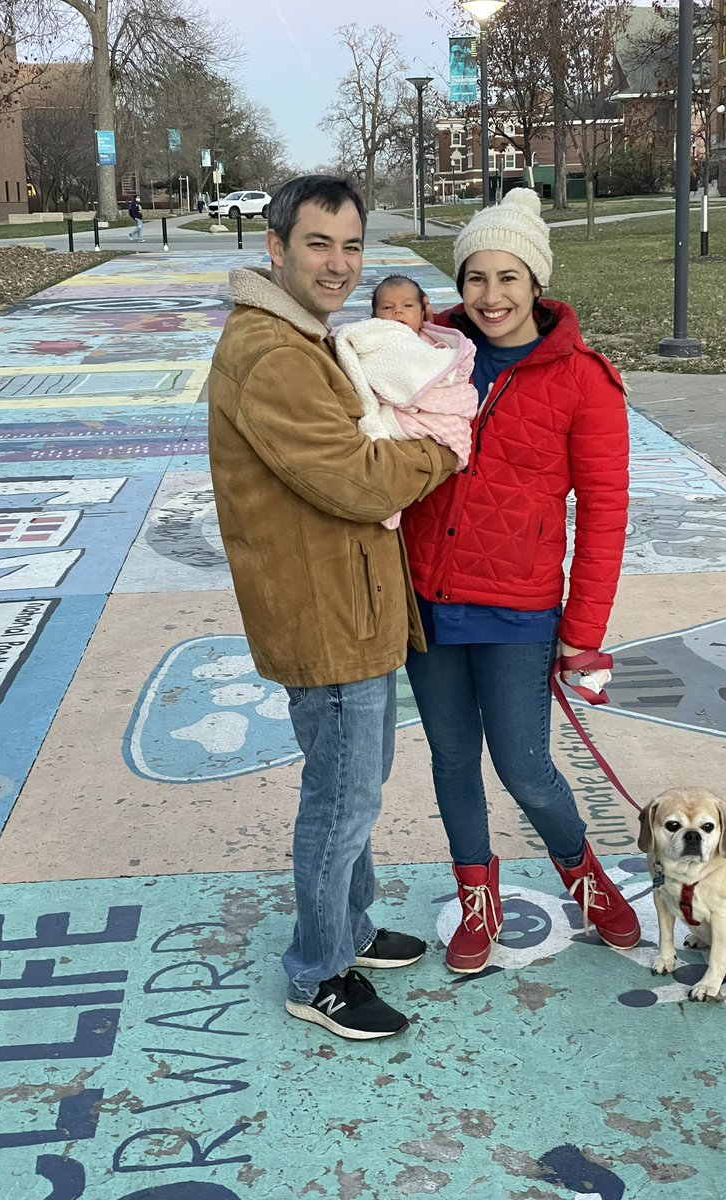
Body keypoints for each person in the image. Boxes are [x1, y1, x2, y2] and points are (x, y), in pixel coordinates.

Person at [207, 176, 457, 1039]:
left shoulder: (296, 335)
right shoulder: (274, 353)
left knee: (356, 786)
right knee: (342, 801)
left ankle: (348, 928)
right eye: (319, 244)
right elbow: (353, 479)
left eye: (352, 246)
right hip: (325, 614)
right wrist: (442, 450)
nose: (338, 264)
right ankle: (317, 973)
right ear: (274, 247)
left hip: (342, 601)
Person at [401, 188, 641, 974]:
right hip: (429, 600)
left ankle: (584, 874)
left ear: (536, 281)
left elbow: (605, 513)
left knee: (525, 767)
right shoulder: (431, 351)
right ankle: (477, 895)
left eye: (508, 278)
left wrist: (584, 631)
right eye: (475, 278)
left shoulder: (584, 380)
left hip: (519, 609)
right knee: (449, 761)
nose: (491, 296)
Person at [332, 275, 477, 529]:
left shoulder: (433, 344)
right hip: (389, 418)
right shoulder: (375, 337)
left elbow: (453, 372)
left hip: (427, 414)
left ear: (424, 311)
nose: (397, 311)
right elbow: (360, 366)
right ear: (374, 315)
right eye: (387, 307)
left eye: (407, 306)